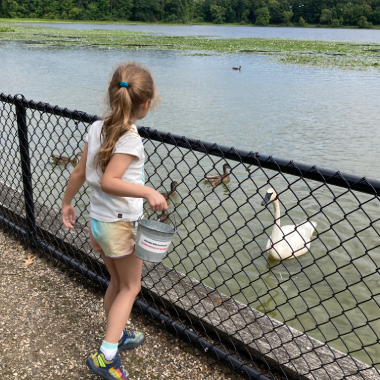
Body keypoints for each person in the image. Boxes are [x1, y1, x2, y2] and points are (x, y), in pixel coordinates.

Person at [61, 61, 168, 380]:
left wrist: (67, 202)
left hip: (99, 222)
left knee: (118, 282)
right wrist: (148, 191)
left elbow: (80, 172)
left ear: (112, 95)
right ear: (146, 103)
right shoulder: (131, 138)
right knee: (131, 286)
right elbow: (110, 180)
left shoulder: (97, 127)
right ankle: (107, 355)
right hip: (119, 226)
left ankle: (117, 333)